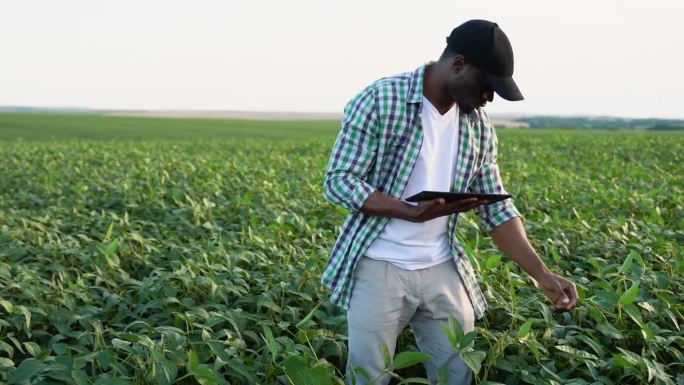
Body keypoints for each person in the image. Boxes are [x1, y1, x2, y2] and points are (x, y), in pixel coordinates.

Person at [321, 19, 579, 385]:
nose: (489, 98)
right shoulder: (380, 99)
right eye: (487, 86)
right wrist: (406, 211)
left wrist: (543, 275)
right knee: (369, 376)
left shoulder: (476, 124)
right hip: (378, 266)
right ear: (458, 64)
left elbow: (497, 209)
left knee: (457, 373)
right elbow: (338, 182)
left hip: (443, 266)